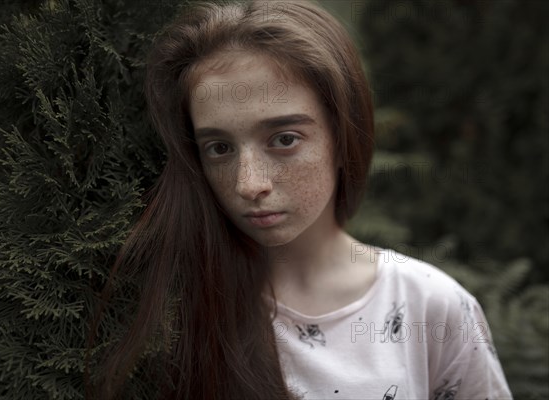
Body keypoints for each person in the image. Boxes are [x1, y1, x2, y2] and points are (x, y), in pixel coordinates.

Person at [86, 0, 513, 399]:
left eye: (284, 139)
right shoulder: (167, 310)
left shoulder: (432, 306)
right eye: (219, 148)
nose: (248, 184)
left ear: (343, 137)